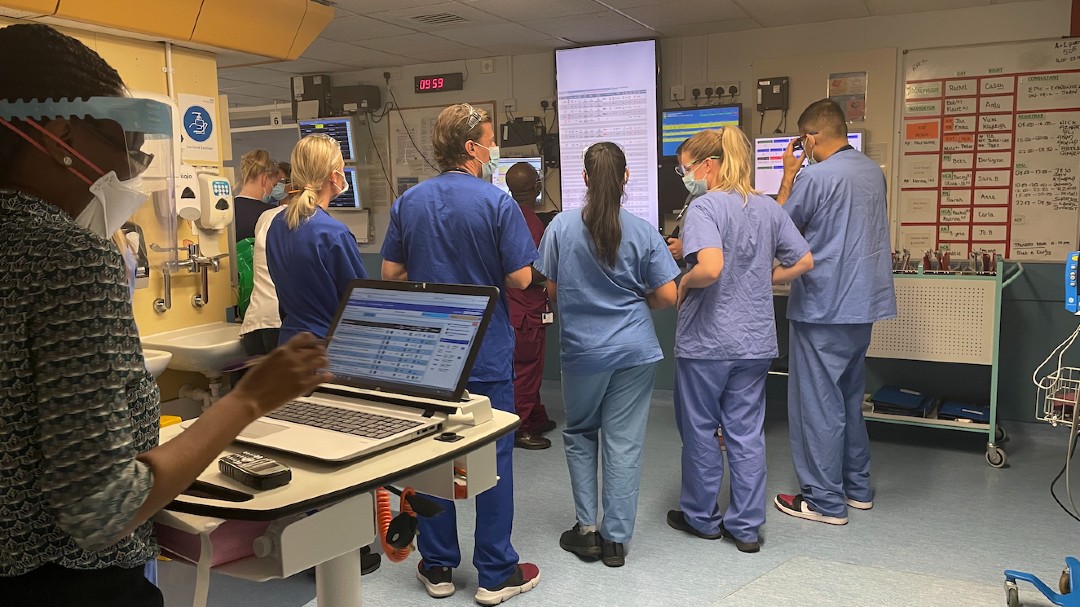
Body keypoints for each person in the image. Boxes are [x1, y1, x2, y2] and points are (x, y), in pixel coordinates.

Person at [0, 24, 331, 606]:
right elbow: (103, 508)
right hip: (68, 584)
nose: (127, 175)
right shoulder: (68, 255)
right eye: (121, 147)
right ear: (55, 130)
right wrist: (248, 401)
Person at [381, 103, 540, 605]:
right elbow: (520, 278)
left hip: (430, 351)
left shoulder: (410, 202)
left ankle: (438, 565)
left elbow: (391, 274)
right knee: (492, 458)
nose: (494, 151)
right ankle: (495, 573)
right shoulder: (497, 204)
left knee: (433, 453)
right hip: (486, 348)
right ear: (473, 149)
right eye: (490, 141)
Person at [663, 128, 812, 553]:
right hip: (754, 341)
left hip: (706, 344)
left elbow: (709, 268)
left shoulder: (705, 207)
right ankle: (745, 527)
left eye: (687, 167)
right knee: (746, 434)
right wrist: (765, 279)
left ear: (709, 165)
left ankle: (702, 518)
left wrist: (687, 283)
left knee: (700, 432)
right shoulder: (766, 208)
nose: (686, 175)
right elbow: (804, 260)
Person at [535, 142, 680, 568]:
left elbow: (554, 290)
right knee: (624, 443)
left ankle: (587, 532)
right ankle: (616, 540)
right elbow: (667, 295)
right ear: (626, 178)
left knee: (581, 434)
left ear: (582, 178)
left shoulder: (560, 228)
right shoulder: (643, 230)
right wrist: (633, 305)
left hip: (585, 353)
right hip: (635, 351)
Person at [772, 99, 896, 525]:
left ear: (808, 139)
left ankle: (824, 501)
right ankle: (856, 488)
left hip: (822, 309)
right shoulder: (871, 173)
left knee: (817, 406)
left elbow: (778, 229)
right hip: (862, 307)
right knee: (847, 400)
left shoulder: (815, 177)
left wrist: (788, 175)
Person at [265, 134, 368, 345]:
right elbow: (360, 304)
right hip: (326, 350)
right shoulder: (333, 234)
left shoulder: (277, 225)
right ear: (334, 176)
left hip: (289, 347)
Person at [504, 161, 556, 450]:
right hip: (527, 311)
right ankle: (519, 428)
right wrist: (550, 269)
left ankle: (534, 416)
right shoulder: (532, 223)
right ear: (536, 187)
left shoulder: (509, 215)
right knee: (526, 370)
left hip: (514, 308)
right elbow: (527, 271)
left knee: (529, 368)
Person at [233, 149, 281, 242]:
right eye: (274, 185)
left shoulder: (229, 210)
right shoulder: (270, 213)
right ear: (264, 179)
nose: (272, 190)